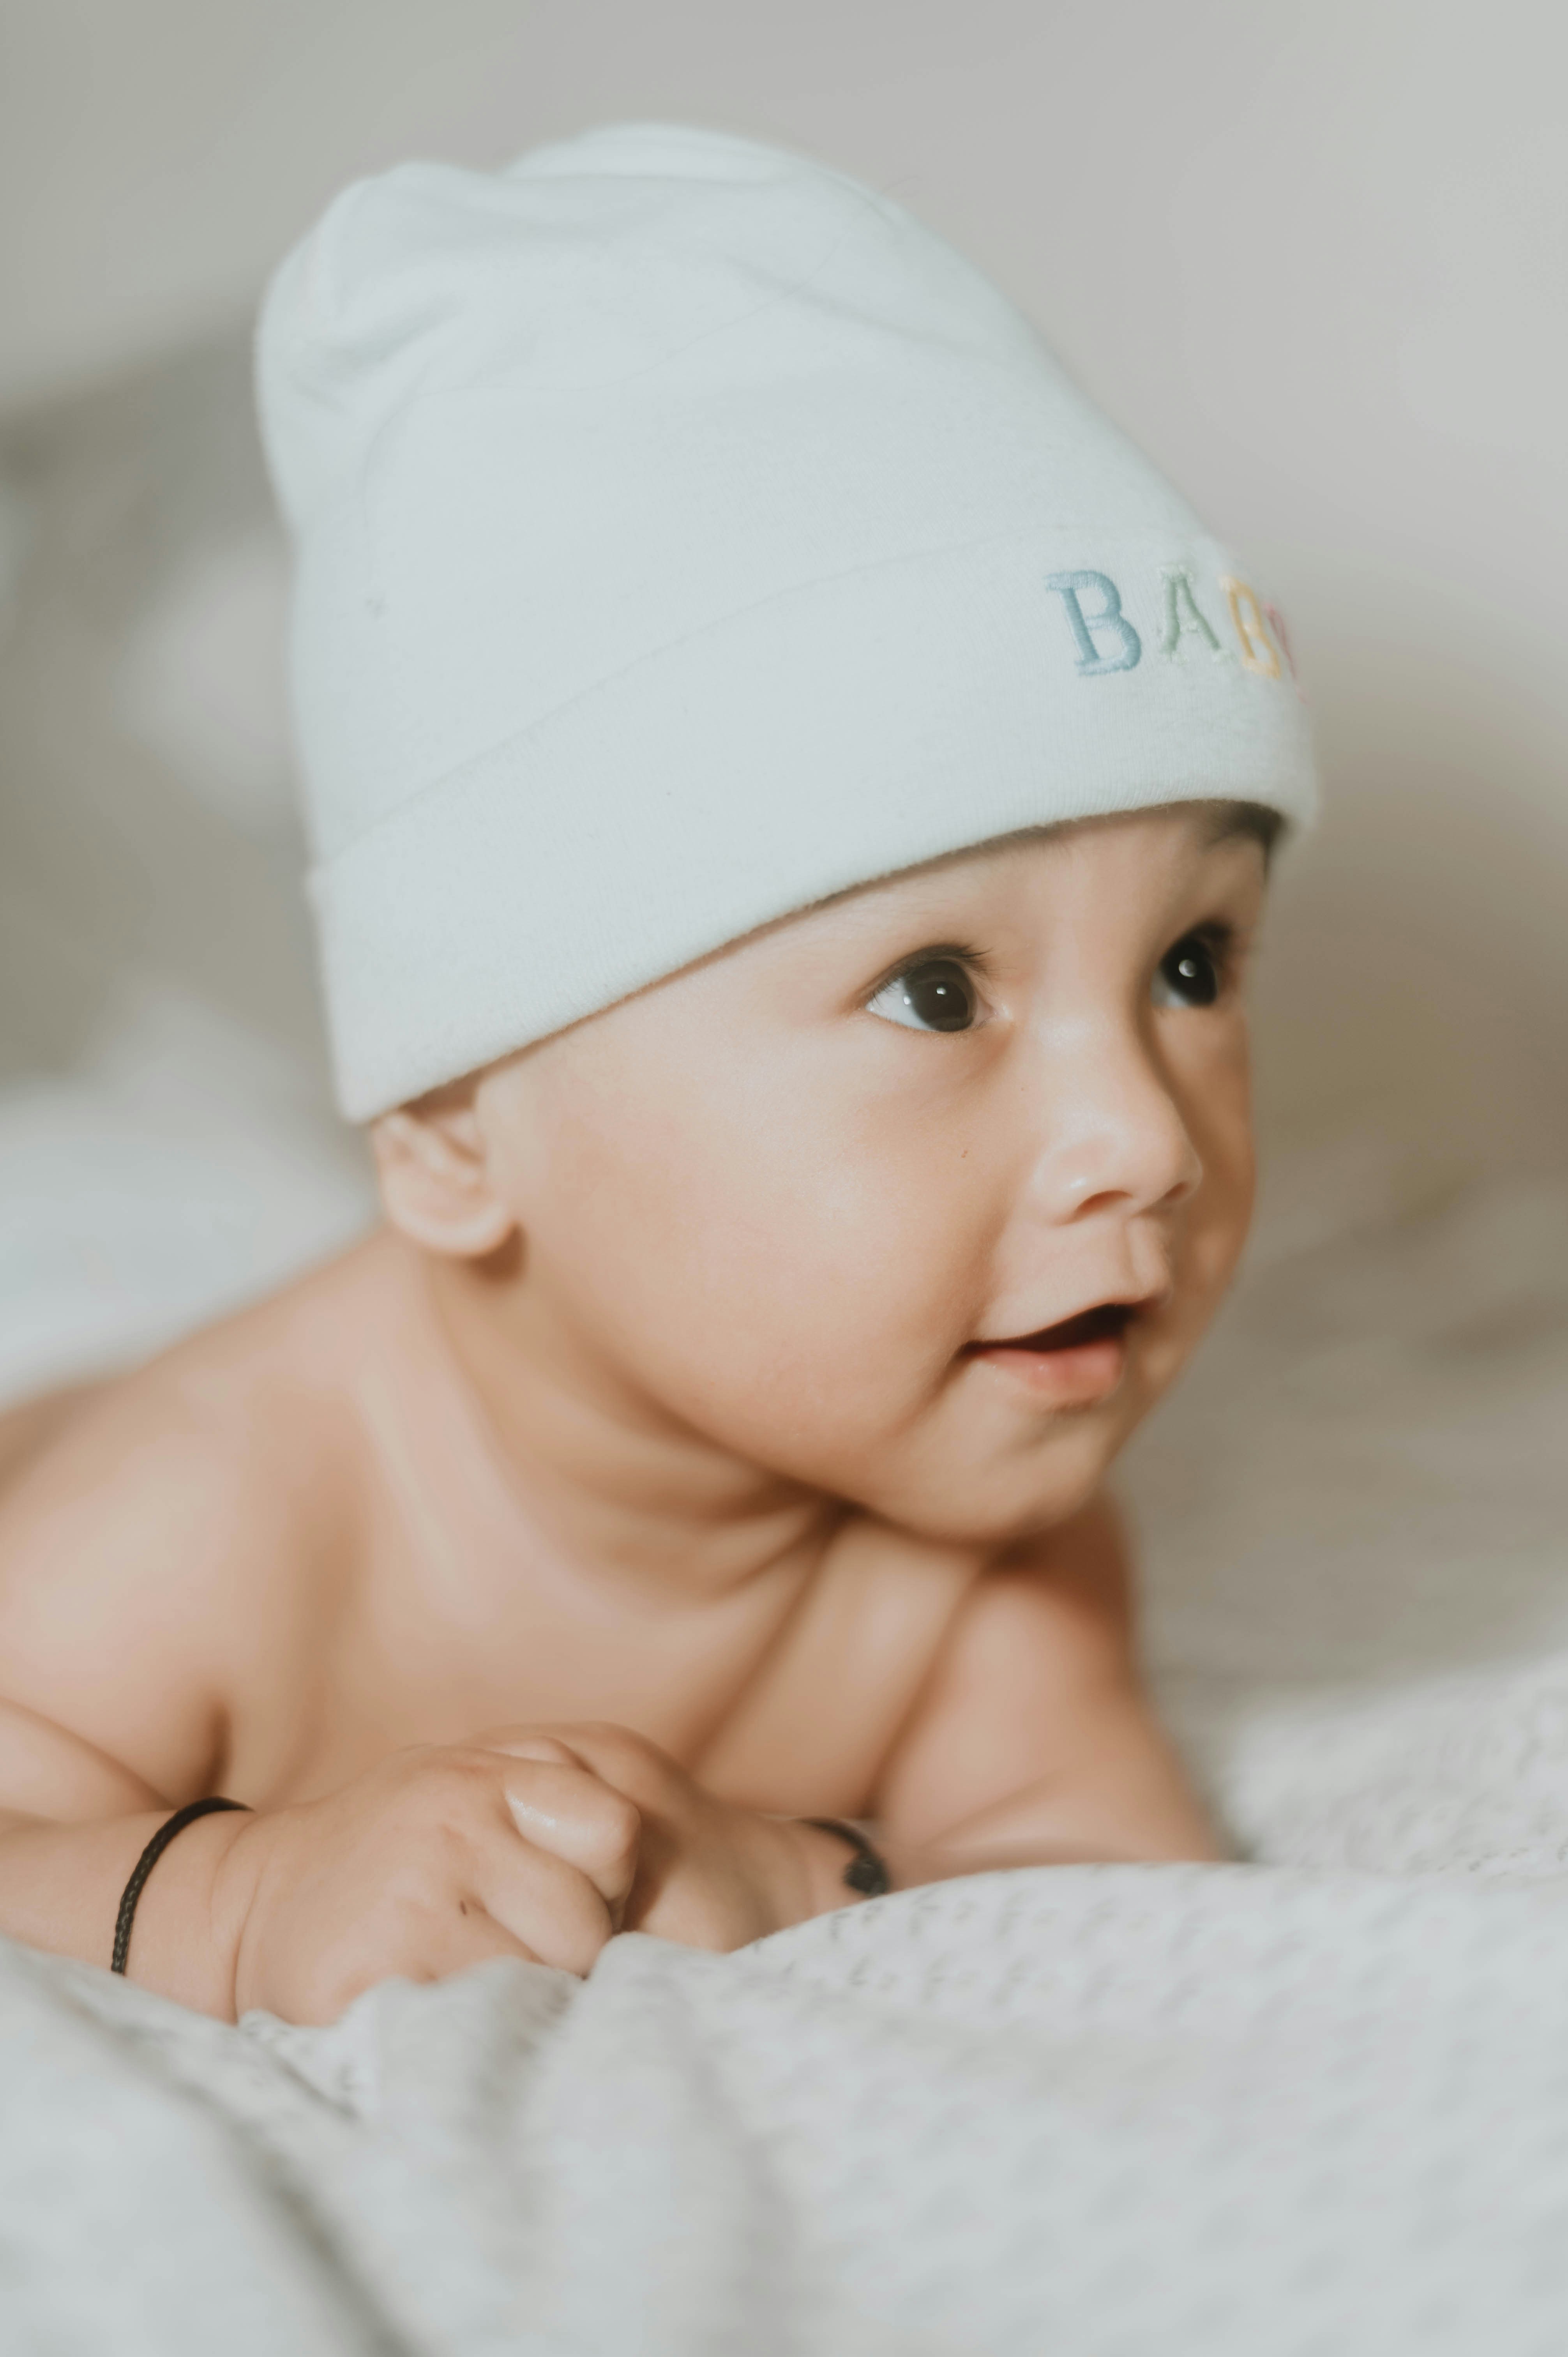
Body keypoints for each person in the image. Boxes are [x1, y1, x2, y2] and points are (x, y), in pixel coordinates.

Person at [0, 122, 1315, 2025]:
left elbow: (1107, 1896)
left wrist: (788, 1874)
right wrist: (223, 1892)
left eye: (1192, 964)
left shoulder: (987, 1535)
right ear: (458, 1123)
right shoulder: (210, 1517)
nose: (1144, 1139)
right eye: (936, 991)